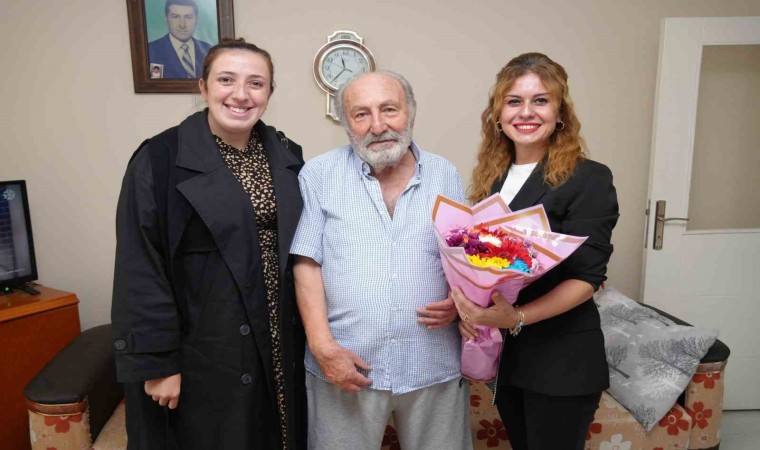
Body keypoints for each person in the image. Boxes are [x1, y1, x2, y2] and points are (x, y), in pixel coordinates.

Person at [112, 38, 306, 450]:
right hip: (202, 346)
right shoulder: (159, 159)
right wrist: (158, 363)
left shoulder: (289, 155)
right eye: (226, 80)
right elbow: (140, 265)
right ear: (203, 87)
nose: (241, 94)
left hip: (276, 335)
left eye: (256, 83)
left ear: (269, 94)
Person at [290, 71, 473, 450]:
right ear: (346, 122)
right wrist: (323, 348)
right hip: (346, 362)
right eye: (361, 114)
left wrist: (459, 301)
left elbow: (464, 258)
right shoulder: (319, 174)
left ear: (411, 111)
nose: (378, 126)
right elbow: (306, 263)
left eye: (389, 109)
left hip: (432, 363)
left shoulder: (445, 174)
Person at [452, 52, 619, 450]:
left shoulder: (589, 177)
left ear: (560, 113)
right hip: (510, 359)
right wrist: (469, 310)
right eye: (514, 101)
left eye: (540, 100)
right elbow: (483, 267)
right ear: (498, 114)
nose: (526, 112)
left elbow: (587, 279)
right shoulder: (492, 180)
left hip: (562, 360)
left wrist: (517, 317)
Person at [148, 0, 213, 79]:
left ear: (197, 19)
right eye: (176, 17)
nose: (182, 25)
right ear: (166, 18)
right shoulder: (150, 51)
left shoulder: (210, 51)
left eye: (188, 17)